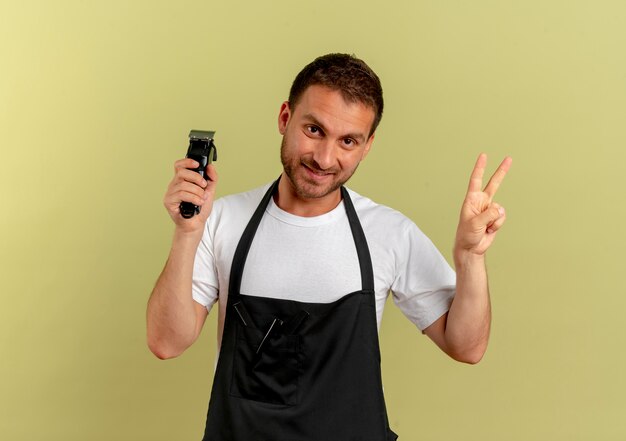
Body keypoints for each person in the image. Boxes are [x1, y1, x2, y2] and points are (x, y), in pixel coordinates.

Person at [146, 53, 512, 441]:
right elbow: (166, 343)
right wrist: (187, 233)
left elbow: (467, 346)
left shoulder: (388, 233)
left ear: (367, 146)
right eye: (314, 130)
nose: (324, 158)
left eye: (348, 141)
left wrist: (470, 258)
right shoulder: (221, 220)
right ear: (285, 118)